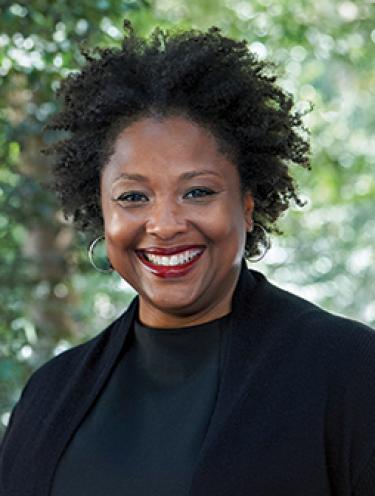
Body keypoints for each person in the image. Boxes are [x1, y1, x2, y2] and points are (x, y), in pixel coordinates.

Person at [1, 20, 374, 496]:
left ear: (247, 203)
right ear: (101, 211)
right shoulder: (50, 394)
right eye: (133, 197)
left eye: (197, 191)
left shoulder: (348, 370)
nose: (165, 224)